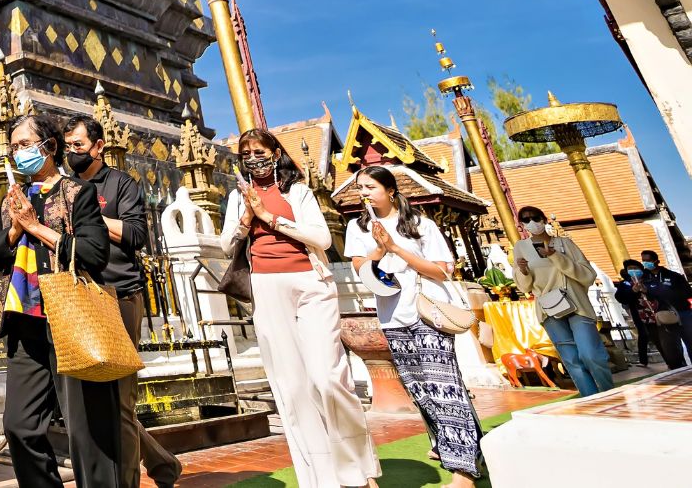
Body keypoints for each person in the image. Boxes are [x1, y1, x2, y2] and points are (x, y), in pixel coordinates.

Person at [222, 129, 380, 488]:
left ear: (275, 153)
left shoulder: (298, 190)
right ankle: (320, 478)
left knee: (328, 377)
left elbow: (322, 239)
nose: (253, 159)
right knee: (291, 387)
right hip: (266, 287)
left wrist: (272, 217)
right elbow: (224, 243)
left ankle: (360, 469)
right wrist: (247, 218)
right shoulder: (238, 197)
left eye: (259, 151)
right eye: (245, 153)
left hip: (310, 282)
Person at [0, 112, 120, 488]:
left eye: (25, 145)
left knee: (87, 432)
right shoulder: (14, 200)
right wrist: (14, 228)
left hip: (71, 317)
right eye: (13, 148)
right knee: (20, 426)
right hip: (24, 319)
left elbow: (94, 254)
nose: (17, 153)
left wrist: (36, 228)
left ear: (50, 147)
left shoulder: (79, 194)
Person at [61, 114, 181, 488]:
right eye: (67, 147)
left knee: (119, 398)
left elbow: (135, 234)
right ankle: (162, 462)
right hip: (76, 298)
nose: (72, 153)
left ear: (98, 147)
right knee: (83, 402)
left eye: (78, 146)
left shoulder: (119, 183)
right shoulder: (62, 186)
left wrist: (88, 212)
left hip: (119, 295)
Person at [345, 166, 481, 487]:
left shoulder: (420, 224)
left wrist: (395, 247)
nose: (364, 193)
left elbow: (443, 270)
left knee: (445, 388)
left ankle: (463, 473)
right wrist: (378, 248)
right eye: (360, 187)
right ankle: (465, 452)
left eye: (371, 187)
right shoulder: (357, 227)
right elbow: (361, 270)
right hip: (393, 319)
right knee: (421, 392)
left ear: (390, 190)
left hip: (427, 313)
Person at [511, 206, 615, 396]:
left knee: (590, 354)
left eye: (535, 218)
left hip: (576, 302)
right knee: (572, 360)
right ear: (521, 224)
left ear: (544, 219)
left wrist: (555, 256)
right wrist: (523, 271)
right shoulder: (521, 247)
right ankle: (590, 398)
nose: (531, 223)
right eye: (526, 220)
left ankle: (609, 392)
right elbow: (524, 286)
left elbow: (588, 275)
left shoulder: (564, 244)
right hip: (548, 307)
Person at [615, 258, 683, 368]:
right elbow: (621, 298)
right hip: (641, 316)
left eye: (635, 268)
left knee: (668, 339)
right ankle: (668, 363)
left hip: (659, 313)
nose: (633, 270)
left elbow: (663, 293)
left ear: (641, 269)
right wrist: (633, 291)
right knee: (653, 338)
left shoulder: (650, 280)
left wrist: (647, 290)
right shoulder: (625, 284)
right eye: (630, 268)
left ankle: (677, 362)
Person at [641, 248, 692, 362]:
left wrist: (653, 291)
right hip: (662, 315)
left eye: (648, 260)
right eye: (643, 261)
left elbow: (687, 293)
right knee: (672, 348)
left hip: (683, 312)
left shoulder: (674, 276)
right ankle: (679, 369)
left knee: (690, 341)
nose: (645, 263)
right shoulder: (642, 279)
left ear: (656, 261)